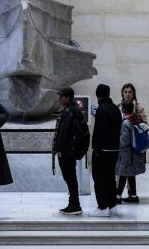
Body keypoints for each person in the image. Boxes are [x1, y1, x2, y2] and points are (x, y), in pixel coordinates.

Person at [90, 84, 122, 217]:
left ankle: (102, 206)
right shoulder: (115, 109)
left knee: (99, 178)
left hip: (102, 151)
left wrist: (96, 149)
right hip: (115, 149)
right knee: (110, 178)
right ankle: (112, 205)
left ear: (97, 95)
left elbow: (99, 132)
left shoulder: (101, 110)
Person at [52, 87, 83, 215]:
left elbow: (63, 134)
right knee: (71, 178)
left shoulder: (68, 112)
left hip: (66, 152)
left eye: (62, 96)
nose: (59, 98)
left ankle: (75, 205)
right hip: (70, 151)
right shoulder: (73, 110)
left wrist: (59, 150)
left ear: (68, 98)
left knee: (70, 178)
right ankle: (73, 203)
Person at [116, 83, 148, 203]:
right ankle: (132, 195)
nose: (127, 94)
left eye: (130, 92)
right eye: (125, 92)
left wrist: (135, 121)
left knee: (126, 170)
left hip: (134, 144)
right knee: (126, 170)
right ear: (122, 93)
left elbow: (145, 125)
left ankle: (120, 195)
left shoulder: (138, 108)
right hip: (123, 143)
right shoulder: (119, 107)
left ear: (133, 93)